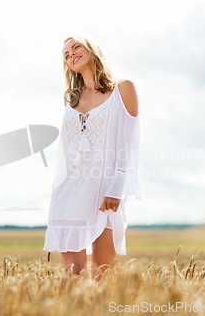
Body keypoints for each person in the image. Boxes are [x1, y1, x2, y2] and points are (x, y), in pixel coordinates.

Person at [43, 35, 142, 281]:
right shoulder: (71, 99)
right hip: (69, 189)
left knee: (102, 275)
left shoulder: (123, 88)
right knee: (72, 277)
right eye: (66, 55)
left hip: (104, 187)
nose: (71, 54)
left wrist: (118, 185)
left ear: (90, 50)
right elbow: (66, 150)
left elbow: (129, 142)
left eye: (76, 47)